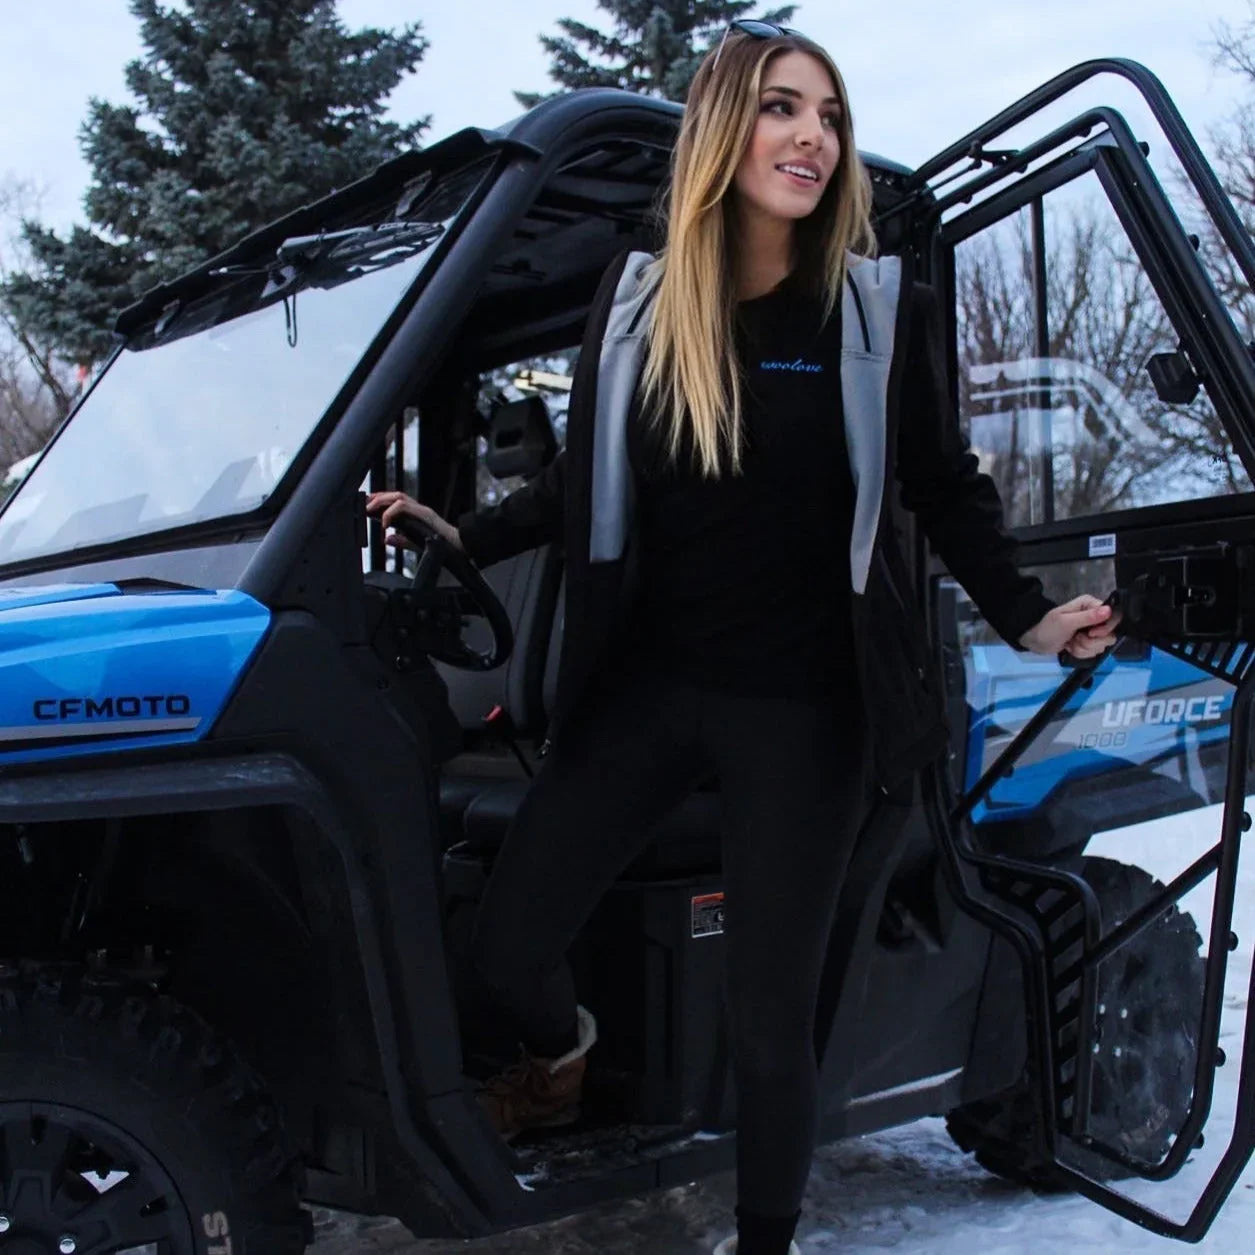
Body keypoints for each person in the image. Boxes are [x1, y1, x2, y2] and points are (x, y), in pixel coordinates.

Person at [367, 20, 1119, 1255]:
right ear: (726, 129)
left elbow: (943, 485)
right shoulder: (641, 304)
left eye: (827, 115)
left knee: (773, 1028)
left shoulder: (876, 313)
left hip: (806, 709)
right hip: (651, 686)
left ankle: (764, 1242)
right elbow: (581, 486)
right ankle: (562, 1055)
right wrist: (464, 531)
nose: (811, 136)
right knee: (506, 939)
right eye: (781, 108)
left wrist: (1028, 614)